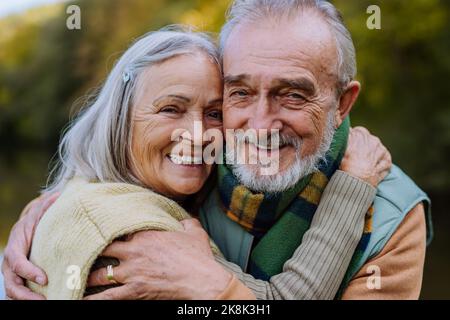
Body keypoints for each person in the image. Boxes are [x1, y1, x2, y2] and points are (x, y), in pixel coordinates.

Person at [4, 0, 431, 300]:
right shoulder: (192, 169)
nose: (260, 124)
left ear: (342, 103)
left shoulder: (392, 214)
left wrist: (213, 288)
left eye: (292, 95)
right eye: (240, 92)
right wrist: (46, 211)